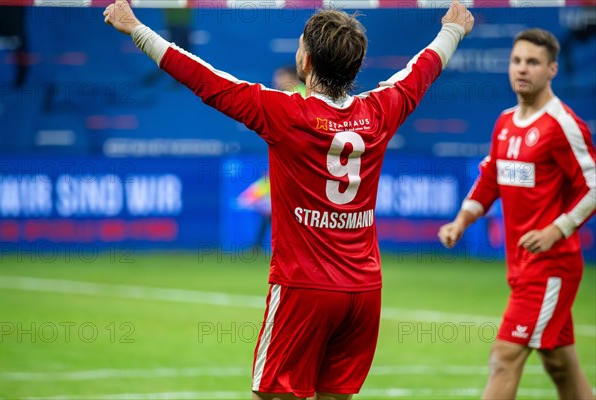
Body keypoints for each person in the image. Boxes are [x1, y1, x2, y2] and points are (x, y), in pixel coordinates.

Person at [104, 1, 474, 399]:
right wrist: (452, 29)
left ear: (306, 60)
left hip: (305, 289)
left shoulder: (285, 113)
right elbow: (423, 69)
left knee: (273, 394)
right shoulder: (381, 110)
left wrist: (135, 28)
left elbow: (206, 80)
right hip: (364, 292)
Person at [439, 29, 595, 400]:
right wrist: (461, 221)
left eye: (533, 62)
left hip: (550, 266)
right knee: (560, 364)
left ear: (552, 69)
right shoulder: (505, 121)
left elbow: (593, 186)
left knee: (505, 356)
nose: (522, 69)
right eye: (517, 60)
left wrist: (557, 230)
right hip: (520, 263)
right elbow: (490, 178)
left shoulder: (562, 124)